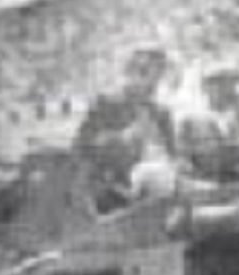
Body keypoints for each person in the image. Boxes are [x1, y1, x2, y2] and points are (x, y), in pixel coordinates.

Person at [74, 47, 177, 213]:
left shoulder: (161, 113)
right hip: (117, 190)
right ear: (130, 73)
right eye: (143, 73)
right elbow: (82, 147)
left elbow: (173, 154)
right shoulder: (107, 104)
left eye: (158, 76)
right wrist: (122, 138)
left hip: (164, 188)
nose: (151, 83)